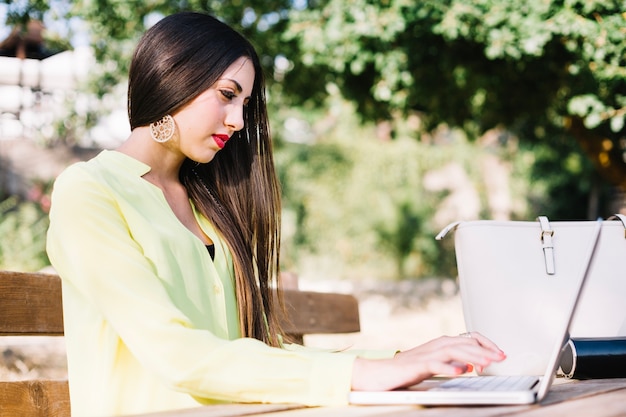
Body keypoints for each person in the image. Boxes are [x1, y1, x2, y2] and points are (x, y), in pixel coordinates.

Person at [46, 11, 505, 417]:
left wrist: (402, 357)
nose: (238, 121)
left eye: (244, 104)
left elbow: (257, 350)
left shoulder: (209, 205)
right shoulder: (89, 192)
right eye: (227, 95)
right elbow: (178, 355)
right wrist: (367, 372)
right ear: (174, 78)